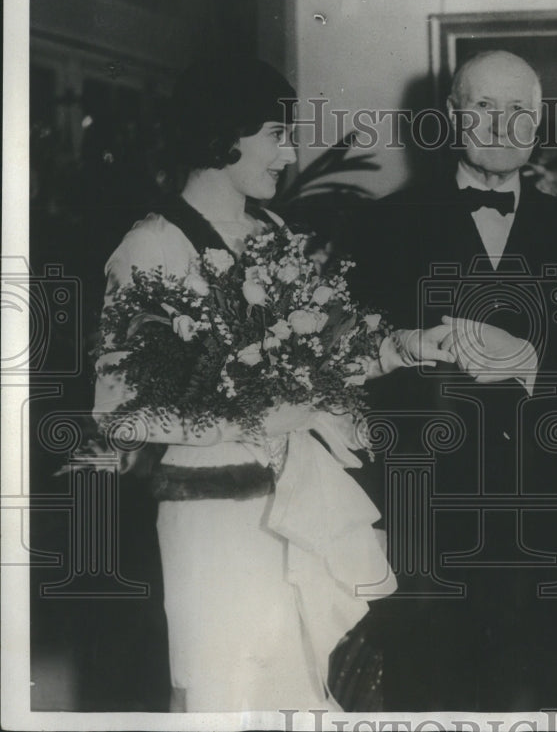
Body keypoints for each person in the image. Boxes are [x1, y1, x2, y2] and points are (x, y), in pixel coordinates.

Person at [92, 57, 454, 712]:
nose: (289, 153)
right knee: (226, 694)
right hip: (215, 520)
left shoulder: (279, 233)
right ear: (223, 133)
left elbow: (324, 358)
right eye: (276, 134)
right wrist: (250, 418)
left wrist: (406, 346)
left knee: (300, 692)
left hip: (299, 504)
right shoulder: (150, 247)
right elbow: (121, 414)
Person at [350, 50, 557, 710]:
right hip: (419, 521)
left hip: (543, 517)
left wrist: (532, 362)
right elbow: (348, 368)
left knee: (529, 696)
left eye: (520, 111)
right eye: (484, 106)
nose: (503, 124)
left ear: (538, 124)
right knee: (423, 695)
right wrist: (400, 345)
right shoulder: (383, 225)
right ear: (452, 116)